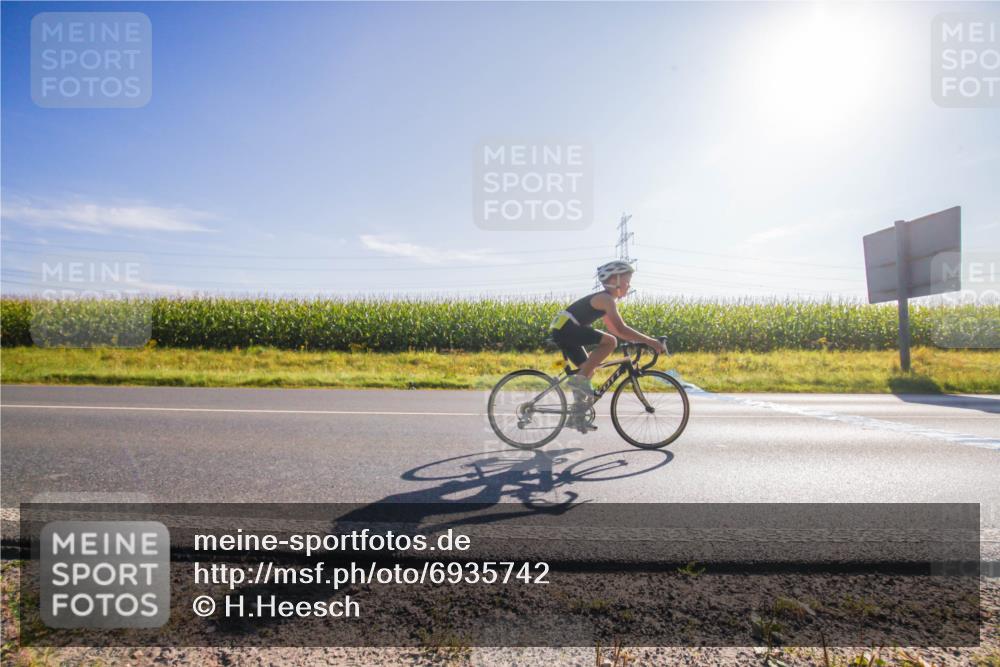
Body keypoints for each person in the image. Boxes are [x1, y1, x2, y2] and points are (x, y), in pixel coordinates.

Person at [549, 261, 667, 427]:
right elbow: (620, 329)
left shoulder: (605, 300)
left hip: (564, 329)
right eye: (626, 281)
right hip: (567, 329)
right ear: (614, 281)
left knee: (588, 369)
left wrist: (640, 341)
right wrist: (650, 341)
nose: (629, 285)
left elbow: (617, 330)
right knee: (610, 343)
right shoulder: (605, 299)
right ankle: (578, 384)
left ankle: (576, 416)